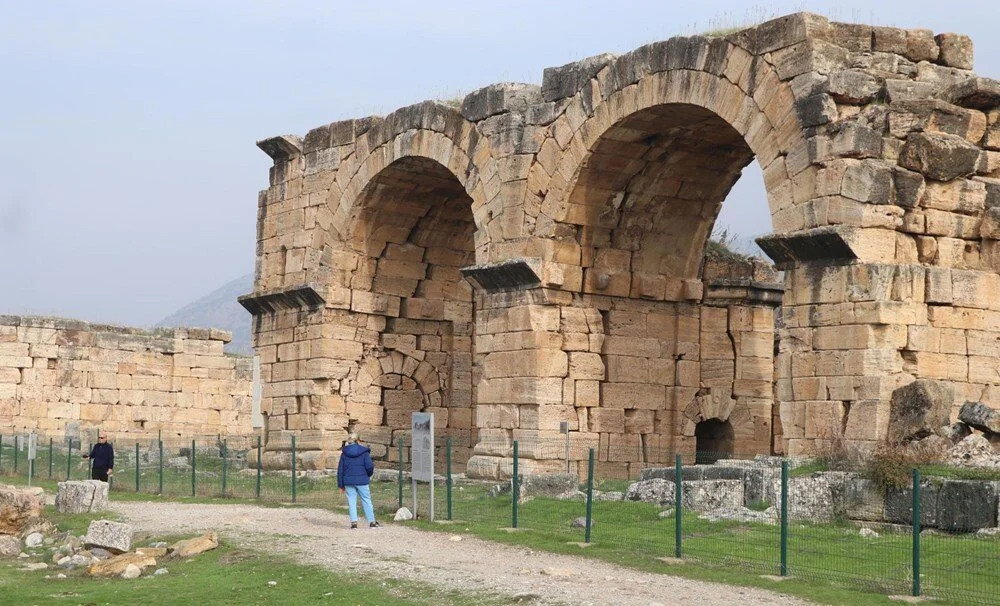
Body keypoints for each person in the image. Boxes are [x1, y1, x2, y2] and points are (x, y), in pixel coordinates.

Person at [336, 432, 380, 529]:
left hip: (348, 481)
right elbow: (369, 466)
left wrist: (341, 485)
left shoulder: (344, 453)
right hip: (362, 480)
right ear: (358, 441)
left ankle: (354, 523)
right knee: (366, 499)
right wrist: (368, 475)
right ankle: (372, 521)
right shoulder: (364, 452)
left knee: (351, 501)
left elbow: (340, 470)